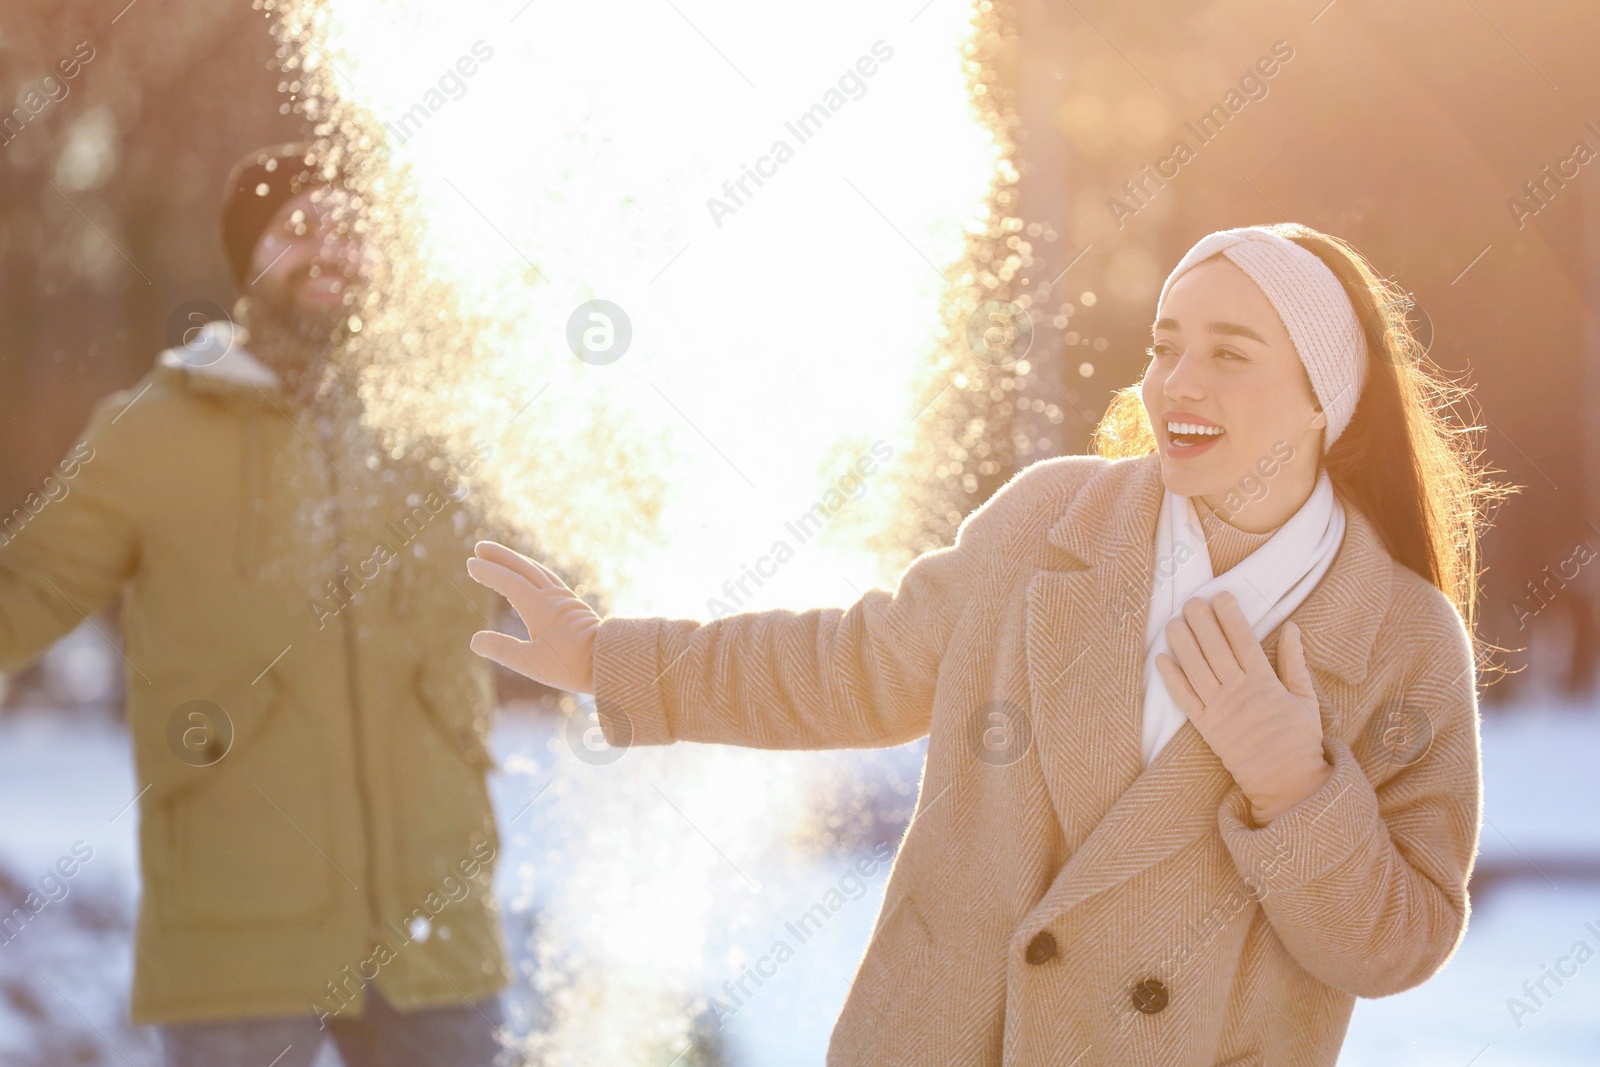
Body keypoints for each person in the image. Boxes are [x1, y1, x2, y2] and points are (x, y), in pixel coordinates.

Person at [466, 222, 1492, 1065]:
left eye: (1228, 353)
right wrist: (613, 660)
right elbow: (850, 664)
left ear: (1326, 395)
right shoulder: (1049, 519)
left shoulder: (1402, 638)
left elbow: (1397, 941)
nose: (1176, 380)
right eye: (1164, 344)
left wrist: (1294, 787)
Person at [0, 143, 518, 1067]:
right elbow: (27, 591)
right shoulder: (150, 429)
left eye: (355, 229)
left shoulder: (440, 428)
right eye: (300, 227)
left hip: (434, 928)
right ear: (250, 257)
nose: (333, 249)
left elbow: (562, 561)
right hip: (237, 931)